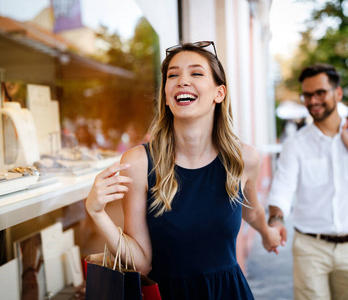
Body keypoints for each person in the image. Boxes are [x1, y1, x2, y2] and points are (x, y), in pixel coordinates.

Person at [86, 41, 282, 299]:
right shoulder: (138, 163)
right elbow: (141, 263)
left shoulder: (243, 159)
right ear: (167, 96)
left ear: (219, 93)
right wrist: (96, 212)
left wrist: (269, 233)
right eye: (173, 75)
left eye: (196, 73)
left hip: (228, 292)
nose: (182, 81)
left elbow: (251, 209)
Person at [267, 63, 348, 300]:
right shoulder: (296, 143)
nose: (313, 100)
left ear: (338, 93)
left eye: (320, 93)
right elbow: (281, 189)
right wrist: (276, 220)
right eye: (307, 94)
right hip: (310, 248)